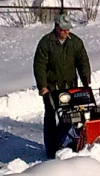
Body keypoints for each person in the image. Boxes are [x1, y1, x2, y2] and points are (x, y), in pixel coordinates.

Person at [33, 11, 91, 159]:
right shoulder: (46, 43)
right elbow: (39, 65)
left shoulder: (75, 42)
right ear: (56, 27)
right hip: (51, 88)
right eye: (63, 29)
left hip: (70, 86)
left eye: (68, 29)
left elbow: (83, 61)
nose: (65, 32)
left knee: (70, 115)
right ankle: (51, 149)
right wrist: (43, 86)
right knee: (51, 117)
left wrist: (86, 81)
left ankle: (65, 142)